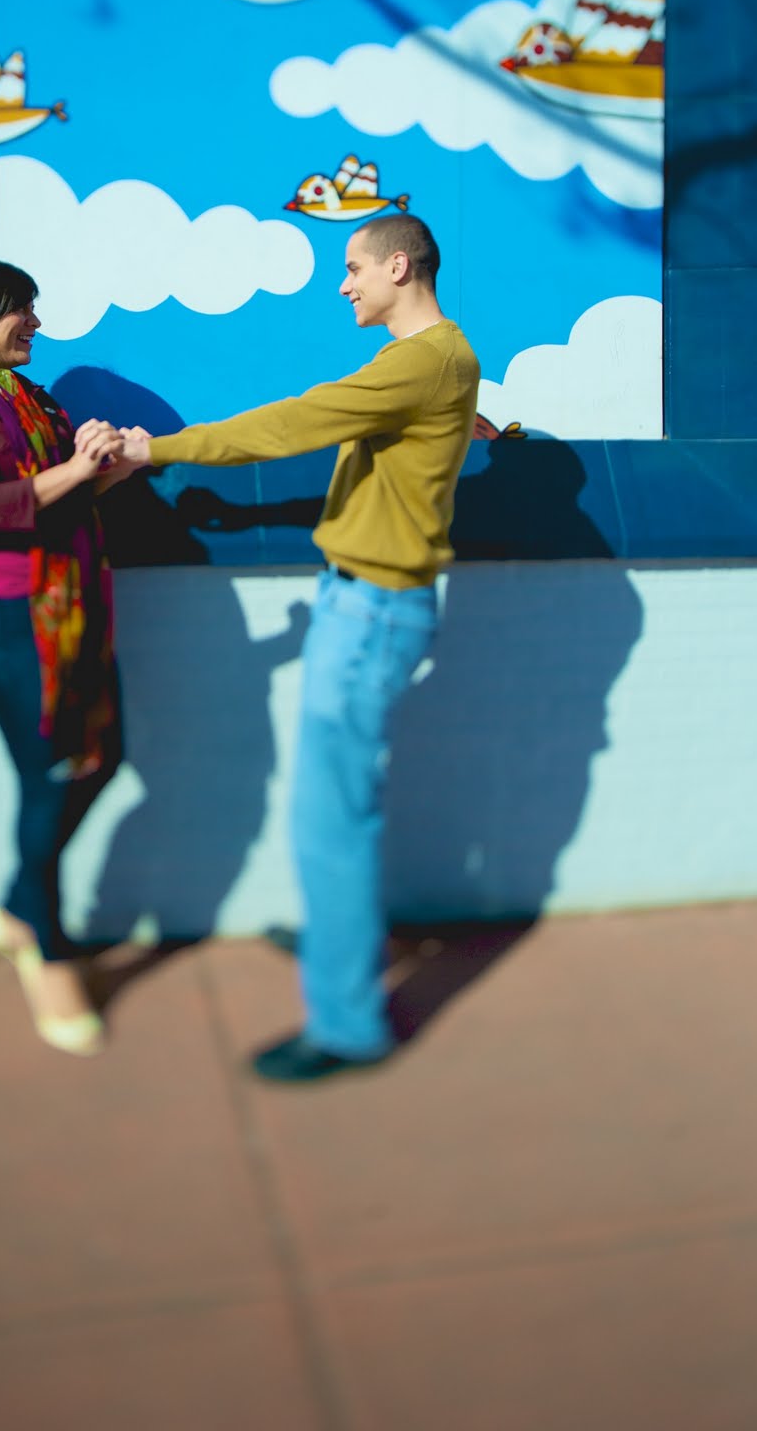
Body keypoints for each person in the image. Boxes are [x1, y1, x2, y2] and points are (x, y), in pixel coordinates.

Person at [117, 214, 480, 1082]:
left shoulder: (422, 362)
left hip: (372, 612)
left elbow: (294, 424)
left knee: (330, 821)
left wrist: (152, 448)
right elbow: (382, 464)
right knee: (336, 808)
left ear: (399, 267)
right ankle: (336, 937)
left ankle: (349, 1026)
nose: (343, 284)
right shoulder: (437, 360)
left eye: (353, 268)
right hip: (363, 603)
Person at [0, 257, 145, 1057]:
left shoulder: (32, 399)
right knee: (50, 778)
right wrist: (74, 469)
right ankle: (45, 949)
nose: (35, 325)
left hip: (72, 611)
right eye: (22, 311)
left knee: (103, 756)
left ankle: (15, 908)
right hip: (11, 622)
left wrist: (105, 469)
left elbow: (64, 497)